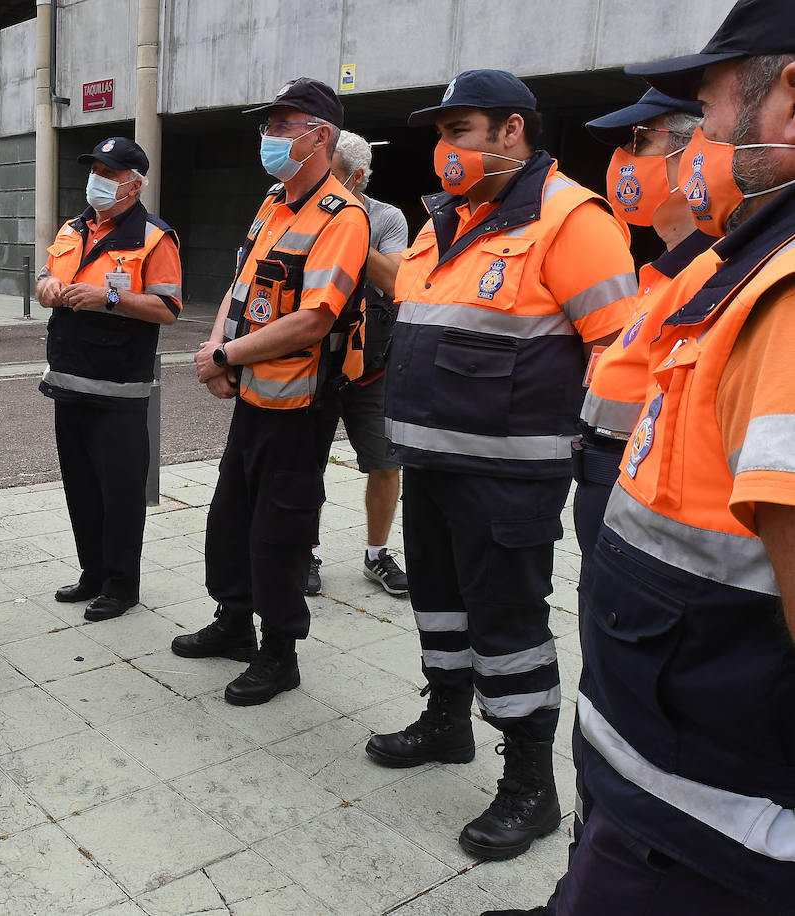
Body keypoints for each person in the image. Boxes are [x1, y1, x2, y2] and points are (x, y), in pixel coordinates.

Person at [489, 2, 795, 911]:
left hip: (705, 828)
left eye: (700, 117)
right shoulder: (745, 262)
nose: (688, 146)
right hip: (661, 779)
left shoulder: (780, 291)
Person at [368, 69, 637, 862]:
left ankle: (530, 787)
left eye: (460, 131)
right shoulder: (445, 218)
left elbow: (621, 354)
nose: (444, 149)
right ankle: (447, 720)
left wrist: (597, 474)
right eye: (442, 134)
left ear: (511, 131)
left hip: (509, 478)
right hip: (432, 462)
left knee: (510, 631)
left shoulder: (571, 219)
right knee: (443, 611)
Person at [174, 78, 370, 706]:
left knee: (279, 532)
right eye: (269, 125)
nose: (270, 136)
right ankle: (234, 623)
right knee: (230, 518)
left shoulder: (344, 218)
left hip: (301, 406)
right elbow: (240, 287)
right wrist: (214, 353)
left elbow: (315, 317)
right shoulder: (275, 203)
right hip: (253, 396)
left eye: (284, 125)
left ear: (321, 135)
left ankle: (279, 652)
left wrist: (227, 354)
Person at [36, 136, 183, 622]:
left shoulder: (156, 238)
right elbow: (41, 284)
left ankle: (122, 586)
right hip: (68, 380)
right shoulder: (72, 228)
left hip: (119, 387)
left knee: (120, 493)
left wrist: (110, 299)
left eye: (109, 172)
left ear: (134, 184)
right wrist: (50, 288)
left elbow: (167, 309)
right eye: (95, 168)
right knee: (80, 487)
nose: (97, 178)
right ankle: (92, 574)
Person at [571, 89, 713, 567]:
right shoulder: (660, 270)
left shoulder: (715, 273)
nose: (620, 161)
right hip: (608, 488)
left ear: (690, 153)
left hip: (649, 512)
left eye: (637, 141)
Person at [307, 130, 410, 599]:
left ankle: (376, 555)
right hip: (313, 362)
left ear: (357, 177)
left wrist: (345, 231)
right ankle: (305, 551)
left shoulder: (387, 218)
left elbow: (397, 282)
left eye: (330, 172)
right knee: (306, 464)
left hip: (373, 364)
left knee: (386, 463)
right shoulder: (295, 211)